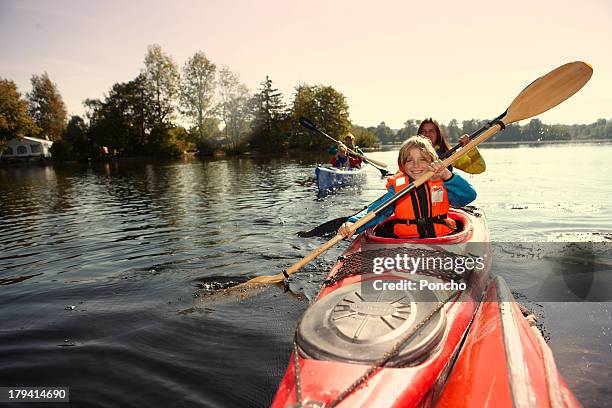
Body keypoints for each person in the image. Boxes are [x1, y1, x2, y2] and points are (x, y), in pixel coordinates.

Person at [338, 136, 476, 239]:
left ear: (432, 162)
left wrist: (447, 175)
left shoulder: (444, 181)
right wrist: (353, 223)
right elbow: (377, 210)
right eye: (409, 160)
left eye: (422, 159)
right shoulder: (398, 188)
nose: (416, 165)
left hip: (443, 239)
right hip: (407, 243)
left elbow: (469, 196)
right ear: (402, 165)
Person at [417, 118, 486, 174]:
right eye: (423, 131)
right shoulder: (410, 153)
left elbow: (479, 168)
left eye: (431, 131)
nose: (427, 134)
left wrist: (471, 147)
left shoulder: (449, 153)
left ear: (438, 134)